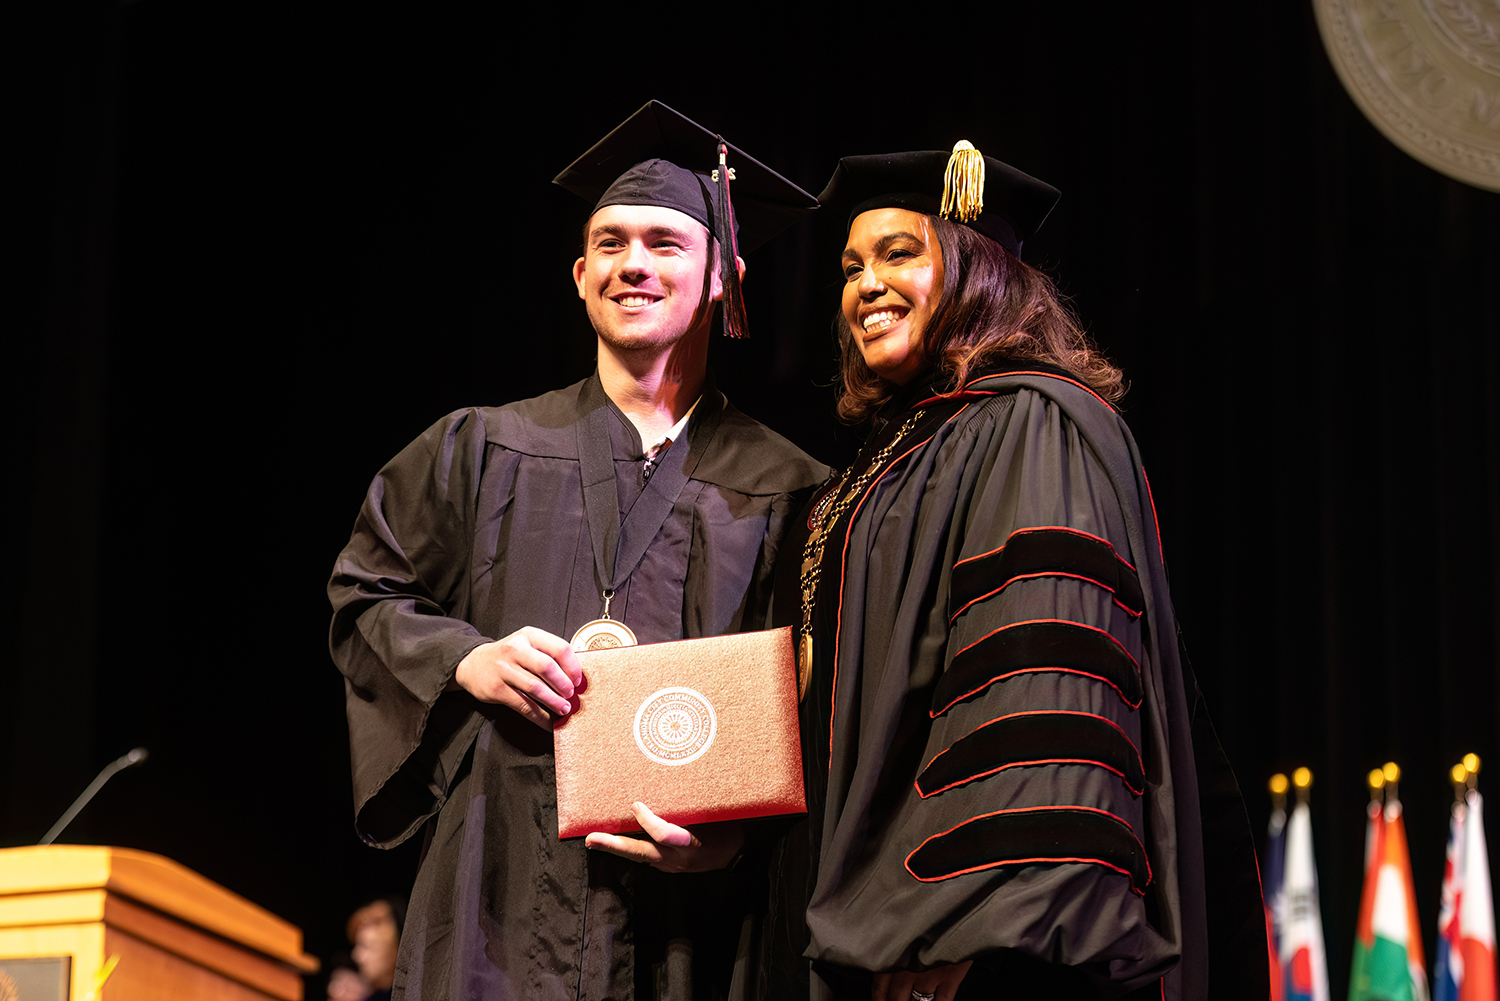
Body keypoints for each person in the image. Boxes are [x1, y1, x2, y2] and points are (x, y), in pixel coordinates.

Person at [328, 101, 826, 1000]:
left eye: (666, 243)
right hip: (496, 896)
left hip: (690, 928)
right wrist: (467, 658)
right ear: (579, 273)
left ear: (724, 276)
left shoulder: (794, 491)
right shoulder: (478, 448)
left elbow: (824, 708)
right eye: (609, 242)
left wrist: (734, 837)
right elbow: (366, 591)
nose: (633, 263)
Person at [754, 145, 1268, 1000]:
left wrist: (958, 934)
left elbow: (1039, 693)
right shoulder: (892, 459)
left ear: (978, 273)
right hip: (872, 935)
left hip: (968, 959)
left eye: (900, 253)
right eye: (851, 266)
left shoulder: (1033, 423)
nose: (865, 285)